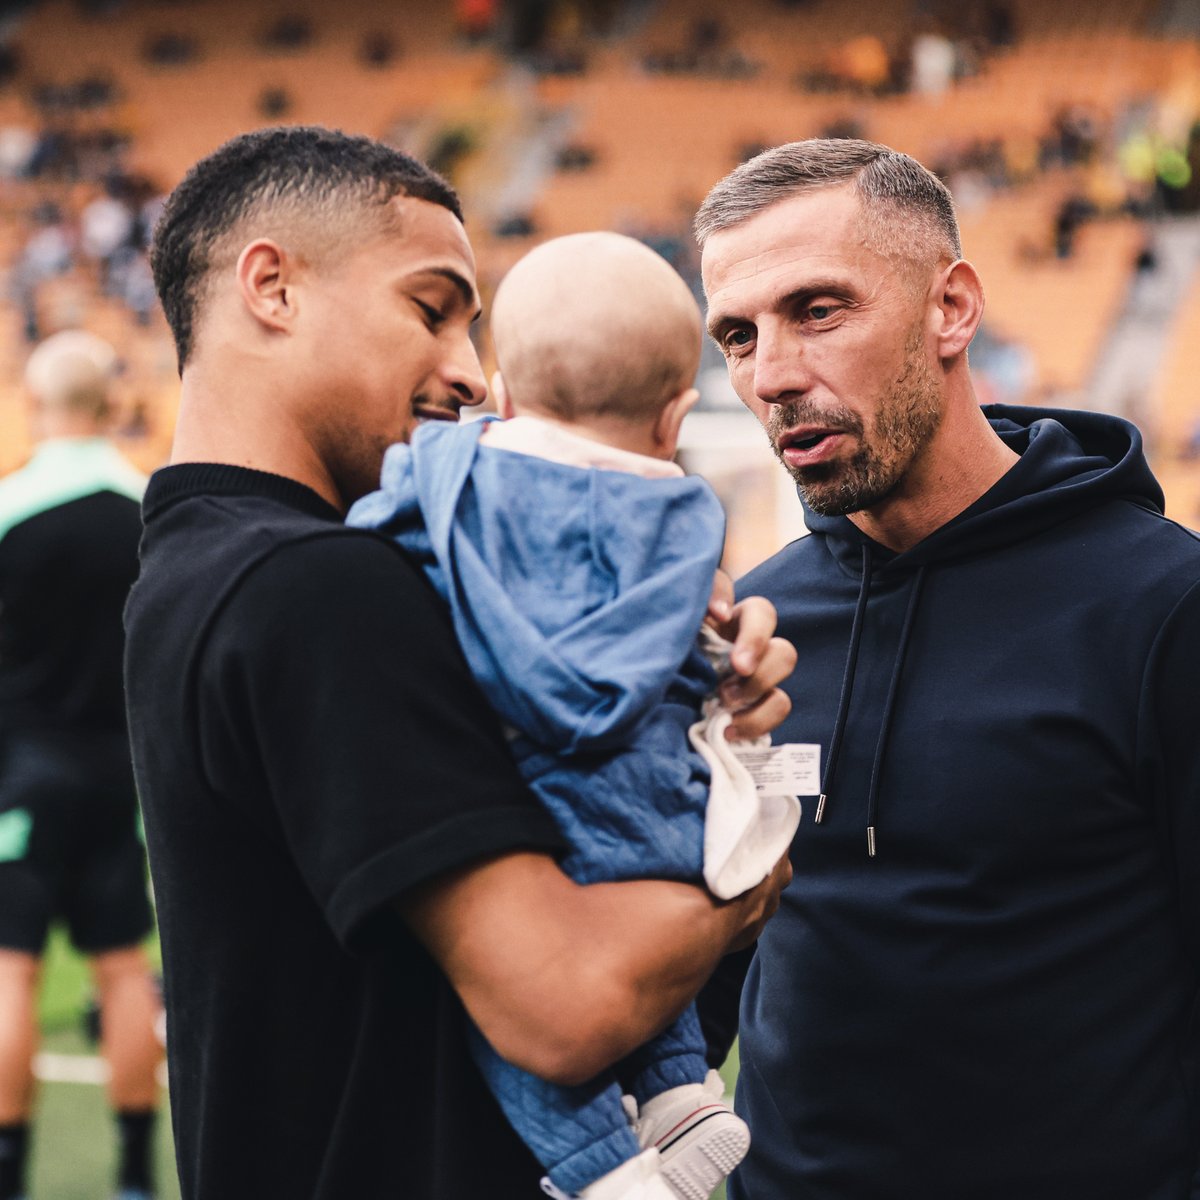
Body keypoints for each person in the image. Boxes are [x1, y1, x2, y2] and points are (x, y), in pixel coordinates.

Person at [123, 125, 795, 1200]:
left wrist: (685, 705)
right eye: (431, 309)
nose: (471, 376)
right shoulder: (316, 588)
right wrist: (748, 858)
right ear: (271, 286)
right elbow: (566, 1005)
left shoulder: (200, 567)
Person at [692, 137, 1200, 1199]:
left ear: (952, 310)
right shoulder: (753, 621)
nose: (772, 374)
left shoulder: (1163, 607)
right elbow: (710, 961)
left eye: (818, 311)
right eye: (738, 335)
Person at [348, 231, 801, 1200]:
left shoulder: (459, 488)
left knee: (513, 997)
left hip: (533, 780)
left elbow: (385, 539)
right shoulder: (685, 517)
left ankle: (603, 1168)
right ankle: (682, 1090)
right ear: (676, 417)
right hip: (653, 795)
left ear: (503, 394)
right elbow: (704, 634)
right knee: (650, 926)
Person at [0, 331, 163, 1200]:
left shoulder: (9, 509)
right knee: (124, 968)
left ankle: (11, 1173)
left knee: (9, 969)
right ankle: (137, 1176)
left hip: (23, 778)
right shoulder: (149, 509)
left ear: (36, 403)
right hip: (120, 780)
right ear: (110, 404)